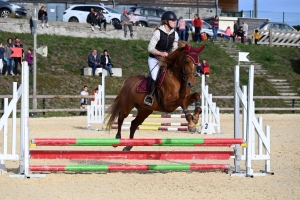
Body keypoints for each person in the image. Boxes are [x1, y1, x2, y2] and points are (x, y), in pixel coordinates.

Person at [144, 11, 179, 106]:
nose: (175, 22)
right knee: (155, 76)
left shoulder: (175, 34)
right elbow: (150, 48)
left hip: (166, 59)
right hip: (154, 59)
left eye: (175, 20)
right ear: (166, 21)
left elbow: (175, 48)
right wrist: (160, 53)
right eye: (173, 20)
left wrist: (171, 54)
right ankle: (149, 96)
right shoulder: (158, 32)